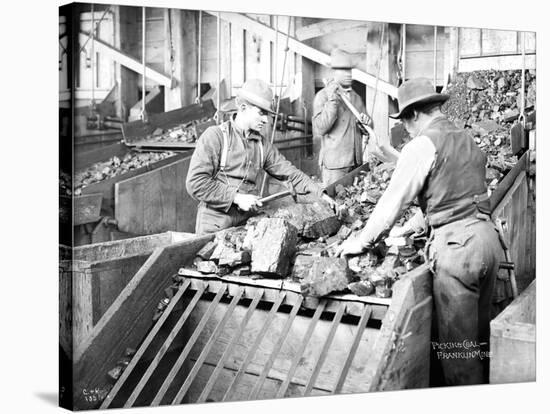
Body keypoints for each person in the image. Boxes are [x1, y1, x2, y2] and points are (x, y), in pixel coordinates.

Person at [336, 78, 503, 386]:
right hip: (487, 240)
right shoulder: (464, 137)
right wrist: (412, 226)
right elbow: (451, 192)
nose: (406, 130)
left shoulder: (422, 144)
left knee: (458, 357)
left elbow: (391, 203)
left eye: (405, 122)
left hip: (458, 251)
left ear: (413, 114)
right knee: (478, 344)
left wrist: (360, 241)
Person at [186, 78, 336, 235]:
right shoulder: (215, 137)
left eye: (267, 114)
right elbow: (195, 183)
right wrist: (237, 198)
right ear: (243, 107)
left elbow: (291, 174)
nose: (266, 120)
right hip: (214, 225)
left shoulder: (262, 145)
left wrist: (320, 195)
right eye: (261, 113)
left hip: (245, 225)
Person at [313, 48, 373, 186]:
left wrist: (366, 124)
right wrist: (332, 100)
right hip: (335, 166)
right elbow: (320, 129)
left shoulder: (356, 98)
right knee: (334, 203)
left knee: (352, 204)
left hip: (356, 162)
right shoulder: (323, 96)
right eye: (343, 70)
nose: (348, 75)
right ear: (333, 72)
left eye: (350, 70)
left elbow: (367, 128)